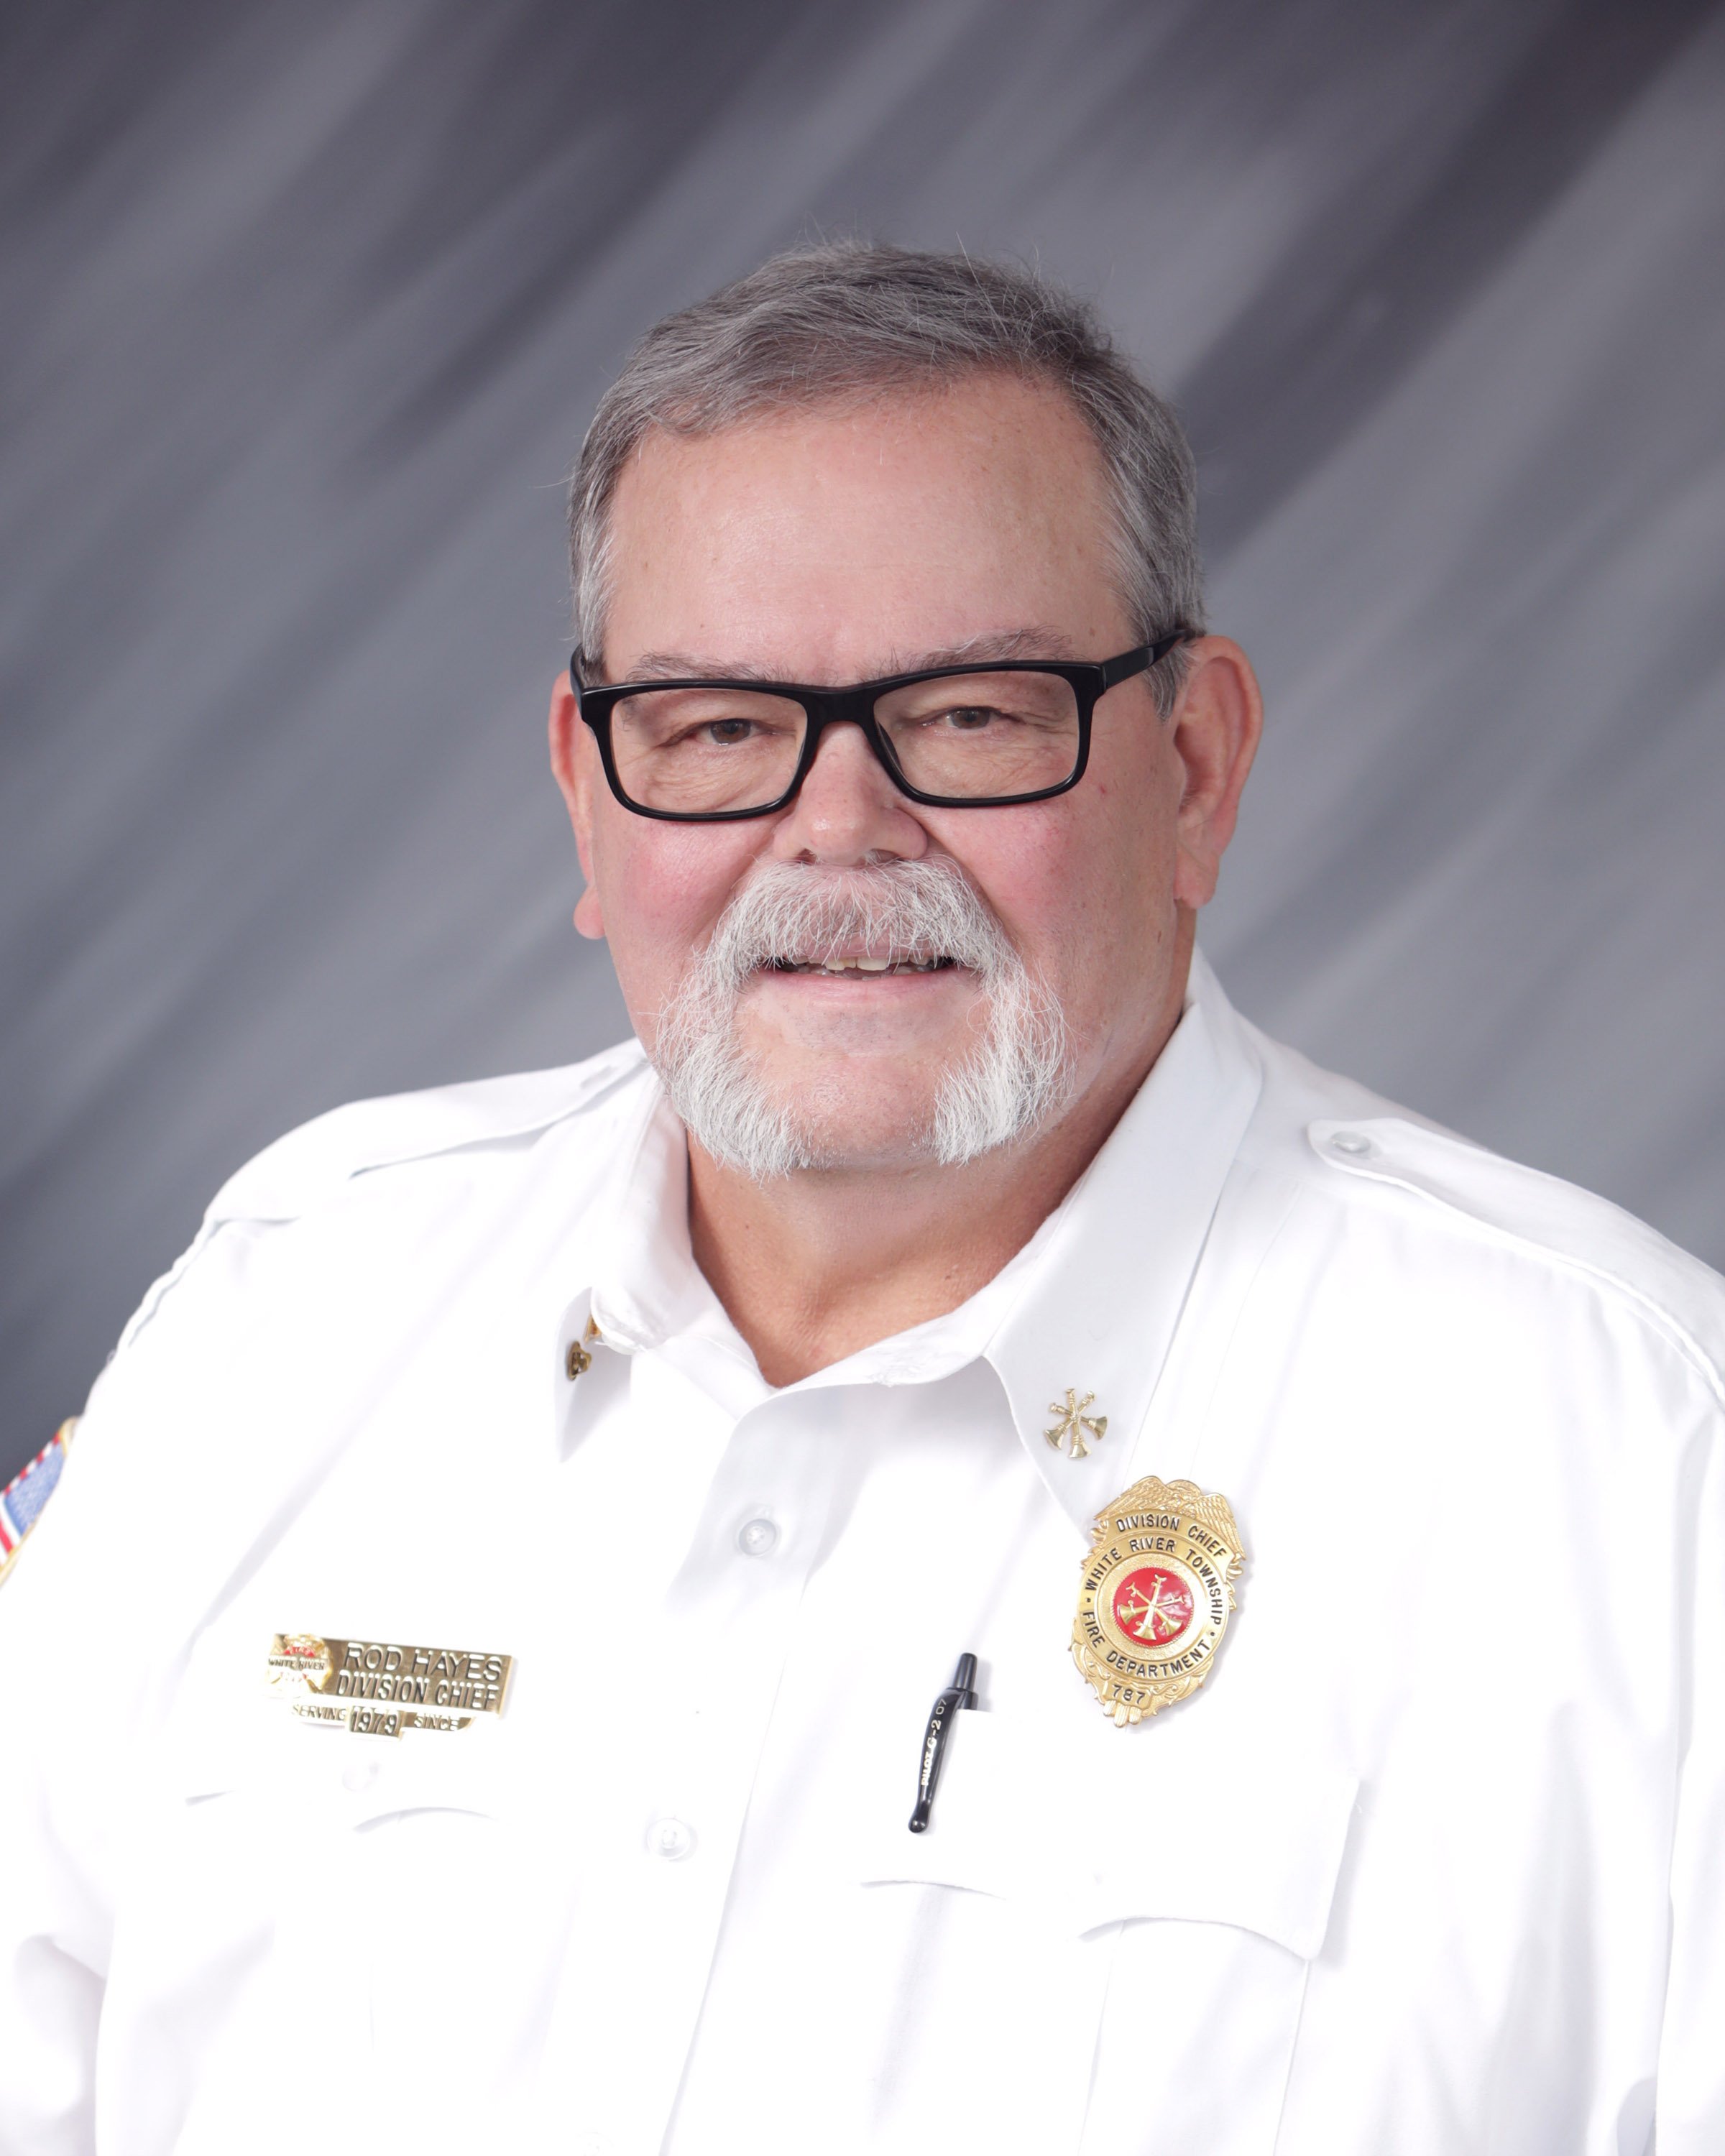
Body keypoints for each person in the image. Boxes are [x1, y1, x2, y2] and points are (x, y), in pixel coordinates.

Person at [1, 242, 1720, 2156]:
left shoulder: (1637, 1464)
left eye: (975, 714)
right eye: (721, 728)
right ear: (589, 794)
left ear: (1198, 771)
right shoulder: (279, 1327)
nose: (838, 831)